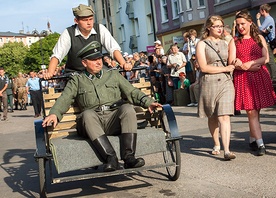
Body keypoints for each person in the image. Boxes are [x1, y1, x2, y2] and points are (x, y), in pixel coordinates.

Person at [42, 41, 162, 172]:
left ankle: (129, 157)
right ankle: (110, 158)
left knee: (127, 109)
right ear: (84, 63)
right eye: (93, 60)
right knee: (87, 114)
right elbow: (65, 98)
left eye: (99, 58)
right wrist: (54, 113)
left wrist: (148, 102)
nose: (98, 62)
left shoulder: (112, 75)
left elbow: (132, 91)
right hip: (92, 124)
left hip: (113, 120)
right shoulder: (77, 80)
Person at [229, 10, 276, 156]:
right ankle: (261, 144)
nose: (240, 27)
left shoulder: (259, 38)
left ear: (250, 22)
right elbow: (231, 61)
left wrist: (248, 63)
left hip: (259, 75)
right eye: (237, 25)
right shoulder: (234, 41)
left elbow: (266, 58)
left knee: (256, 111)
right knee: (251, 111)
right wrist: (241, 65)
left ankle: (252, 139)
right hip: (243, 77)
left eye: (242, 24)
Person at [44, 4, 132, 79]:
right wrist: (50, 72)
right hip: (76, 75)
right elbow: (57, 55)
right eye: (85, 20)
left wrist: (124, 63)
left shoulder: (100, 29)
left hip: (96, 73)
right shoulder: (68, 33)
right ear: (76, 21)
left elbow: (113, 48)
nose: (89, 23)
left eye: (91, 19)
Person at [196, 15, 236, 160]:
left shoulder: (226, 42)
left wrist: (235, 62)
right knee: (212, 116)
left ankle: (227, 150)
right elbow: (203, 67)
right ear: (209, 27)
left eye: (221, 26)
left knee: (224, 115)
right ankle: (216, 143)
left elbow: (231, 61)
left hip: (226, 83)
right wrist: (225, 69)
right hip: (209, 82)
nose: (220, 29)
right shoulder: (202, 44)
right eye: (217, 26)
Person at [256, 3, 276, 80]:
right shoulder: (269, 19)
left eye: (260, 10)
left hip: (269, 42)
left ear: (263, 11)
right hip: (270, 42)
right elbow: (263, 30)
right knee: (268, 60)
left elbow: (260, 29)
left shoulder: (268, 19)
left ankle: (274, 77)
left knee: (270, 60)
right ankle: (272, 76)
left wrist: (257, 19)